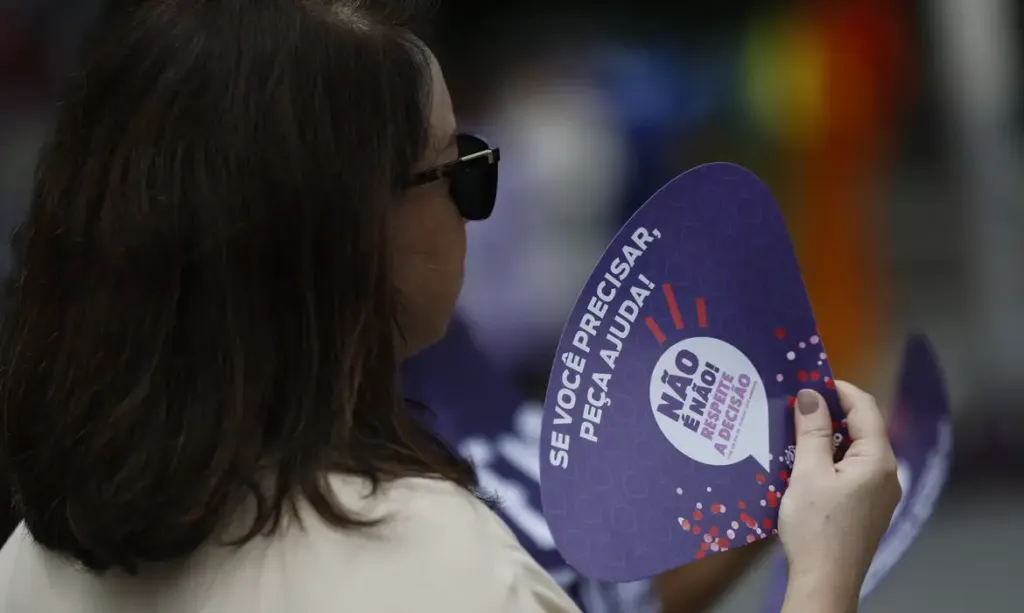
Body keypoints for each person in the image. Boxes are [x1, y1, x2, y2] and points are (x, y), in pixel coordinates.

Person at [0, 1, 901, 612]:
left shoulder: (33, 558)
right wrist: (824, 571)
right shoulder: (449, 571)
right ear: (349, 236)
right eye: (462, 169)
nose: (477, 201)